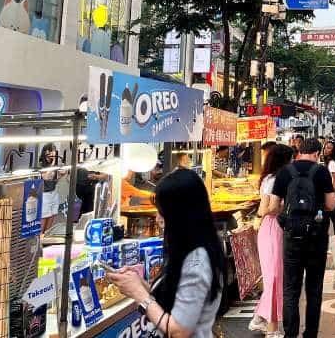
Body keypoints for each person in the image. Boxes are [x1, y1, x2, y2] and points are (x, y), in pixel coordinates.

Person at [107, 169, 225, 338]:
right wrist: (139, 284)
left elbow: (178, 331)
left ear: (180, 214)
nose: (158, 218)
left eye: (162, 211)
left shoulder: (197, 262)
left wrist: (139, 294)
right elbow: (173, 300)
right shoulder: (189, 249)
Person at [271, 138, 335, 338]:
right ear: (317, 154)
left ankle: (290, 334)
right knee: (314, 290)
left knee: (291, 289)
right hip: (316, 238)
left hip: (292, 237)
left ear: (299, 152)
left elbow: (274, 206)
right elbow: (331, 205)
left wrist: (290, 213)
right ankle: (310, 333)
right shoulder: (321, 172)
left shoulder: (285, 172)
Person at [249, 145, 295, 338]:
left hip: (272, 228)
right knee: (275, 278)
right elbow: (270, 208)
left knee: (275, 278)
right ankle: (272, 328)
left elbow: (263, 208)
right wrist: (285, 204)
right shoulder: (275, 180)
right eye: (290, 159)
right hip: (274, 228)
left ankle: (260, 317)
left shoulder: (269, 179)